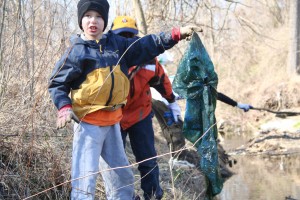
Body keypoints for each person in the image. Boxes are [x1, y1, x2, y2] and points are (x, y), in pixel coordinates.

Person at [48, 0, 201, 199]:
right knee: (85, 179)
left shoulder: (118, 45)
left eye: (98, 16)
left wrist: (175, 34)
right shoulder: (76, 52)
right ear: (80, 20)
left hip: (113, 123)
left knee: (121, 176)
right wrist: (64, 107)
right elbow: (57, 83)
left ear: (105, 21)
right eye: (87, 16)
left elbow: (148, 44)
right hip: (88, 125)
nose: (93, 21)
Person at [110, 16, 182, 200]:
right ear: (113, 36)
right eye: (122, 36)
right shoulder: (107, 58)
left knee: (147, 159)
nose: (127, 40)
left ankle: (153, 195)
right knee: (115, 163)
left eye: (130, 35)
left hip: (140, 114)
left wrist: (172, 100)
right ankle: (125, 196)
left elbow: (161, 81)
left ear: (137, 37)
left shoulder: (150, 60)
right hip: (113, 117)